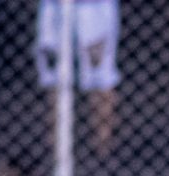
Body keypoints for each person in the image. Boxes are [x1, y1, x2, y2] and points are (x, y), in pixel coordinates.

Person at [36, 0, 120, 155]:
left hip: (93, 8)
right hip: (55, 6)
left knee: (99, 76)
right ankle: (56, 149)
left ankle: (103, 149)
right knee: (54, 77)